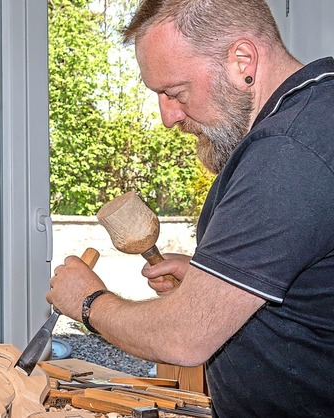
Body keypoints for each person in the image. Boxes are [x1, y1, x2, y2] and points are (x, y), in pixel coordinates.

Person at [46, 0, 334, 416]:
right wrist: (216, 281)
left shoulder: (289, 149)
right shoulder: (317, 110)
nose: (167, 116)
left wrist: (89, 301)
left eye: (175, 92)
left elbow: (184, 337)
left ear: (242, 61)